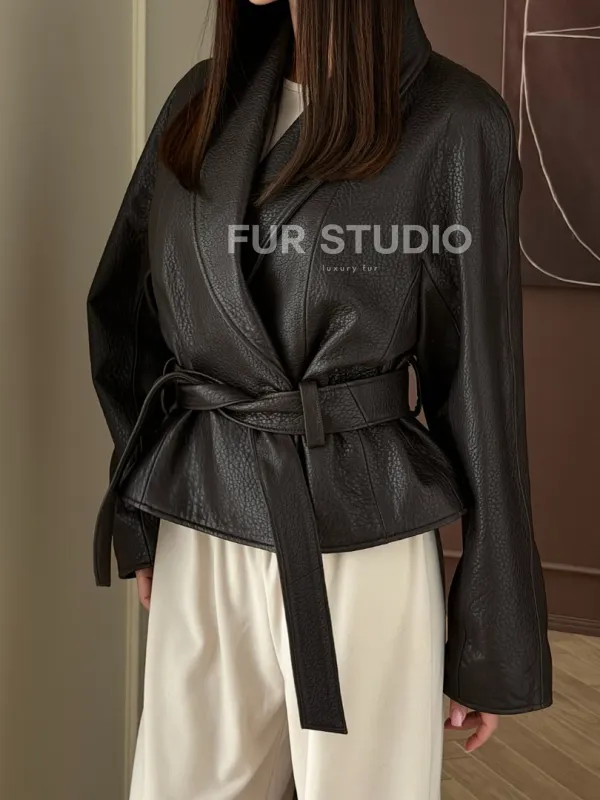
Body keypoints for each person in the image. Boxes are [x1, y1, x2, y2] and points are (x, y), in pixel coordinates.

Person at [87, 1, 553, 798]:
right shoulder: (202, 99)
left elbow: (482, 389)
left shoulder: (453, 120)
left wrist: (490, 640)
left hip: (358, 536)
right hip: (204, 516)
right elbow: (126, 311)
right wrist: (139, 515)